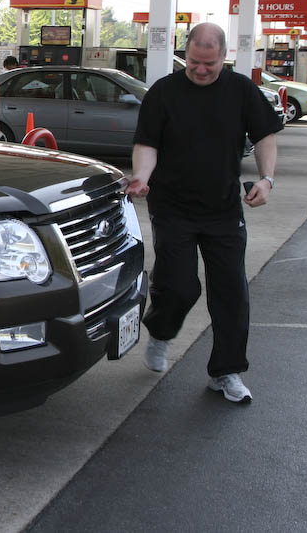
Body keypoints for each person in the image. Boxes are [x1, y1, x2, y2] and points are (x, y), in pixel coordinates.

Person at [126, 23, 281, 404]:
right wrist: (142, 177)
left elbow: (265, 135)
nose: (200, 69)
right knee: (178, 286)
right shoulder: (164, 92)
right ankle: (161, 332)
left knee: (231, 292)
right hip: (173, 207)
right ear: (187, 54)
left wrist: (266, 179)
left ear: (224, 57)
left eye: (209, 64)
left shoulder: (241, 90)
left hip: (223, 209)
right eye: (194, 61)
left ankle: (226, 371)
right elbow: (146, 143)